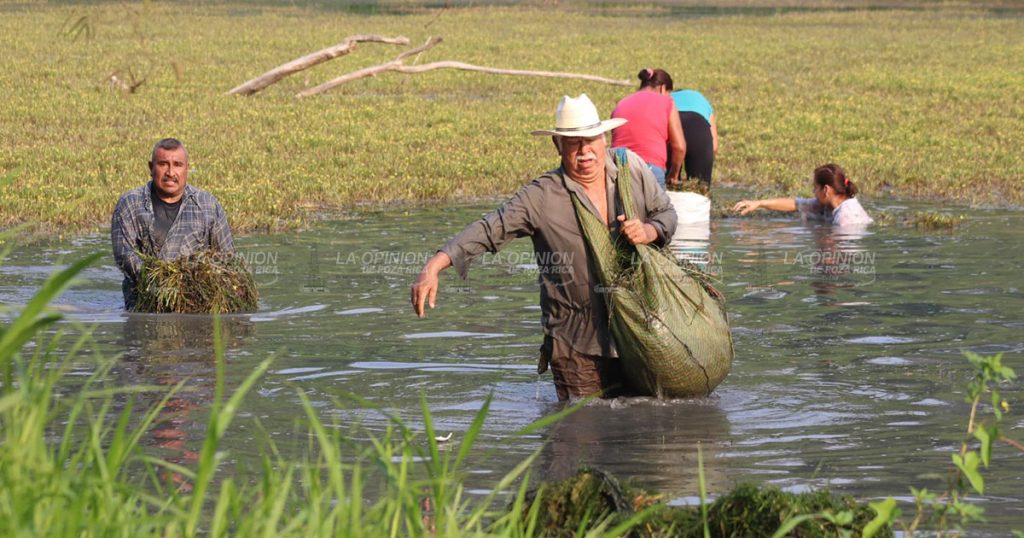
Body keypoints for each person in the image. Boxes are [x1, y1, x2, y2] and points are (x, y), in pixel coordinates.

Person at [411, 94, 677, 401]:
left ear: (604, 138)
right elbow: (489, 228)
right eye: (573, 142)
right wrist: (434, 266)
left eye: (590, 139)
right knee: (578, 436)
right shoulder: (541, 196)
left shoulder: (631, 171)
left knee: (639, 434)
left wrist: (648, 230)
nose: (584, 150)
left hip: (638, 334)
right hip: (574, 342)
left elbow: (667, 215)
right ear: (558, 146)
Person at [111, 138, 235, 309]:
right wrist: (163, 283)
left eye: (177, 164)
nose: (170, 172)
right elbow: (124, 256)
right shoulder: (130, 204)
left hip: (194, 305)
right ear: (151, 168)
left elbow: (227, 259)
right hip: (144, 305)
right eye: (163, 164)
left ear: (187, 168)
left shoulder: (207, 205)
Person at [610, 68, 686, 189]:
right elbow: (679, 147)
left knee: (623, 207)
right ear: (662, 88)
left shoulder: (621, 103)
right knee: (655, 207)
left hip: (617, 168)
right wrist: (674, 175)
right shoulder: (666, 102)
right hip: (649, 169)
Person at [731, 163, 874, 226]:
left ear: (826, 190)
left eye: (815, 188)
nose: (813, 192)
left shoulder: (846, 218)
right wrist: (758, 204)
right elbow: (796, 204)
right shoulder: (831, 204)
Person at [671, 88, 718, 186]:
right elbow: (714, 147)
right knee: (700, 189)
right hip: (698, 128)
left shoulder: (667, 99)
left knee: (667, 185)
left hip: (673, 127)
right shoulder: (703, 101)